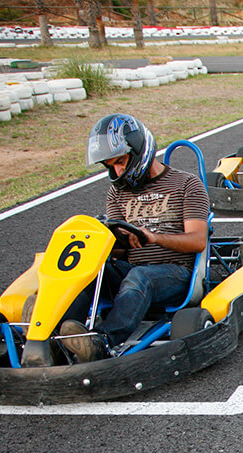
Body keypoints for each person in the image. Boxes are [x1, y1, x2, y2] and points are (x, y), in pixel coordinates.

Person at [59, 113, 210, 361]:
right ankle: (57, 336)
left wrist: (154, 237)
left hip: (177, 274)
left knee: (139, 276)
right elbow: (119, 251)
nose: (117, 171)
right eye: (110, 166)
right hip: (132, 271)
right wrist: (108, 243)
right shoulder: (116, 193)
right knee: (90, 270)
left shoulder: (187, 184)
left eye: (120, 161)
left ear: (139, 150)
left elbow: (197, 240)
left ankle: (102, 342)